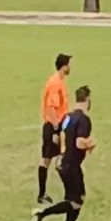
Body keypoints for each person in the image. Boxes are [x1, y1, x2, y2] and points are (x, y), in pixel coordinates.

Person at [31, 85, 95, 221]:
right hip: (71, 165)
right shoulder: (84, 120)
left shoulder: (67, 117)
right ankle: (42, 214)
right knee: (76, 201)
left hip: (63, 162)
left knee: (75, 199)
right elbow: (80, 143)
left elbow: (58, 137)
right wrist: (91, 143)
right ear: (87, 100)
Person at [38, 54, 71, 204]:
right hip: (53, 126)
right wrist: (56, 129)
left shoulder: (59, 81)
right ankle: (65, 193)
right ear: (64, 66)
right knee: (58, 159)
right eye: (69, 64)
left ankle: (43, 193)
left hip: (54, 125)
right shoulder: (55, 83)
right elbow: (51, 108)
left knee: (52, 159)